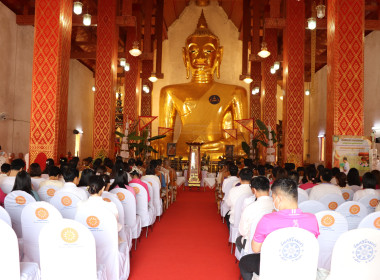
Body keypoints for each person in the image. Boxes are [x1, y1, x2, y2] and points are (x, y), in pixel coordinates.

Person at [239, 178, 320, 280]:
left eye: (273, 198)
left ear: (278, 199)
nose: (273, 201)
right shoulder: (312, 219)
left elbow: (255, 249)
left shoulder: (267, 220)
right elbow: (311, 243)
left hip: (273, 268)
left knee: (244, 262)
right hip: (302, 268)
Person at [236, 176, 273, 254]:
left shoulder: (250, 208)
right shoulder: (276, 205)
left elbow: (242, 231)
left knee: (238, 239)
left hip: (251, 245)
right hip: (271, 243)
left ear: (254, 190)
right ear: (269, 190)